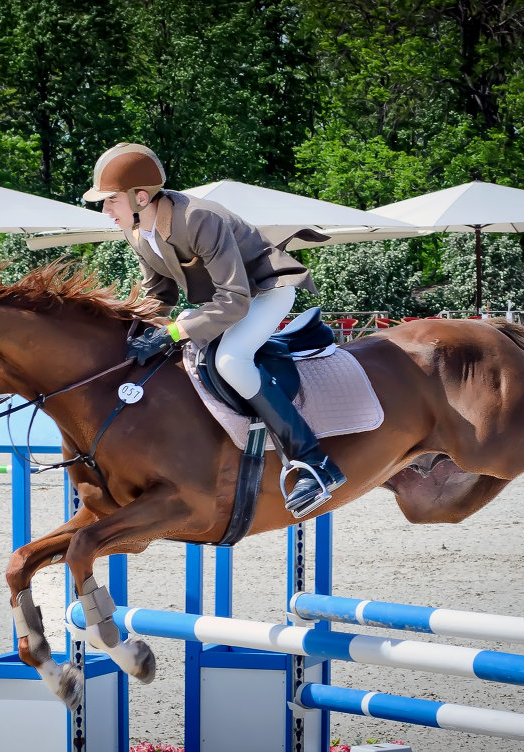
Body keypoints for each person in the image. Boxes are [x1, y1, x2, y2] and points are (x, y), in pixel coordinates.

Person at [83, 142, 345, 517]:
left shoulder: (198, 219)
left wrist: (172, 332)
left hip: (265, 292)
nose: (104, 208)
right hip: (226, 301)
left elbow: (235, 300)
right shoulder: (137, 231)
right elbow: (160, 296)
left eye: (110, 200)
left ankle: (314, 461)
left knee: (230, 360)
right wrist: (123, 328)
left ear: (140, 196)